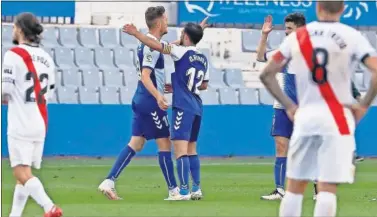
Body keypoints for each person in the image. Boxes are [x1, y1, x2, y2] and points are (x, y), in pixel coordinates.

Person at [259, 1, 377, 216]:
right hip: (338, 118)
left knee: (294, 187)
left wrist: (289, 106)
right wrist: (363, 106)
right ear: (342, 9)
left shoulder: (298, 38)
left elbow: (266, 74)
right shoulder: (352, 36)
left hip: (307, 116)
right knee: (327, 189)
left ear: (317, 8)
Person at [98, 6, 180, 200]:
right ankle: (174, 190)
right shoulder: (151, 46)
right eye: (166, 20)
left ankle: (109, 181)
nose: (167, 23)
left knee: (137, 142)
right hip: (150, 101)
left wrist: (188, 39)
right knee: (165, 143)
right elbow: (145, 75)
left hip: (141, 98)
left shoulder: (151, 44)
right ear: (159, 23)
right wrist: (158, 96)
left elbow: (165, 49)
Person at [123, 21, 209, 200]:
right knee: (192, 148)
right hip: (197, 106)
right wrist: (179, 85)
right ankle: (197, 188)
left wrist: (136, 34)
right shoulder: (203, 57)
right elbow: (203, 85)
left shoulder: (180, 51)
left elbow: (156, 45)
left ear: (185, 36)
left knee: (180, 150)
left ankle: (184, 191)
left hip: (183, 107)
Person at [2, 12, 62, 217]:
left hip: (21, 121)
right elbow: (50, 92)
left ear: (20, 29)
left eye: (14, 27)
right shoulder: (47, 58)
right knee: (25, 174)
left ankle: (49, 206)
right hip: (39, 121)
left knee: (20, 171)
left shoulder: (13, 54)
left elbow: (5, 91)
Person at [256, 13, 306, 200]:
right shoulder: (284, 51)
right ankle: (280, 190)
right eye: (285, 28)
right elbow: (261, 57)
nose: (286, 32)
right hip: (282, 107)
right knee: (280, 146)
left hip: (305, 109)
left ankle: (319, 190)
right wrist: (264, 35)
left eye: (289, 29)